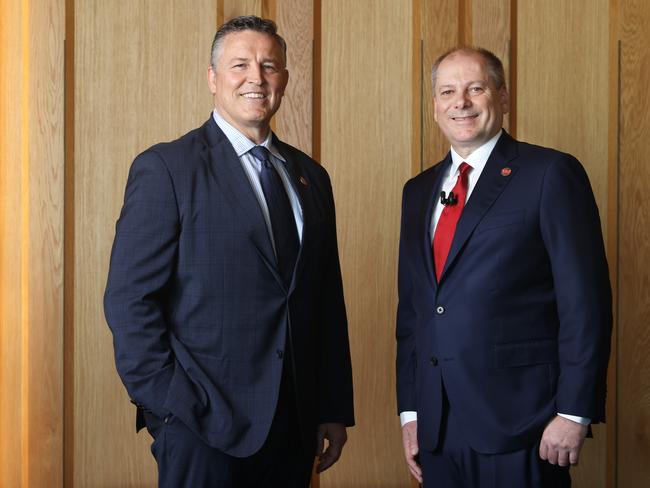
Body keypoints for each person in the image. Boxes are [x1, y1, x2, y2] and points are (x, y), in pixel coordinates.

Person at [104, 15, 354, 488]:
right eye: (240, 65)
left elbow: (325, 301)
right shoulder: (167, 168)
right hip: (202, 424)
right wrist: (169, 404)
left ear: (284, 79)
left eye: (269, 65)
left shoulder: (311, 177)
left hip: (293, 424)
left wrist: (331, 406)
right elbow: (128, 301)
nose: (255, 78)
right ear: (213, 79)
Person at [395, 46, 611, 487]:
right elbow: (414, 312)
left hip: (525, 424)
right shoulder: (417, 191)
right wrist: (412, 412)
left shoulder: (550, 173)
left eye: (476, 88)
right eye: (448, 91)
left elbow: (585, 303)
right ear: (435, 106)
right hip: (437, 430)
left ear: (504, 98)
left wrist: (573, 412)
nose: (462, 102)